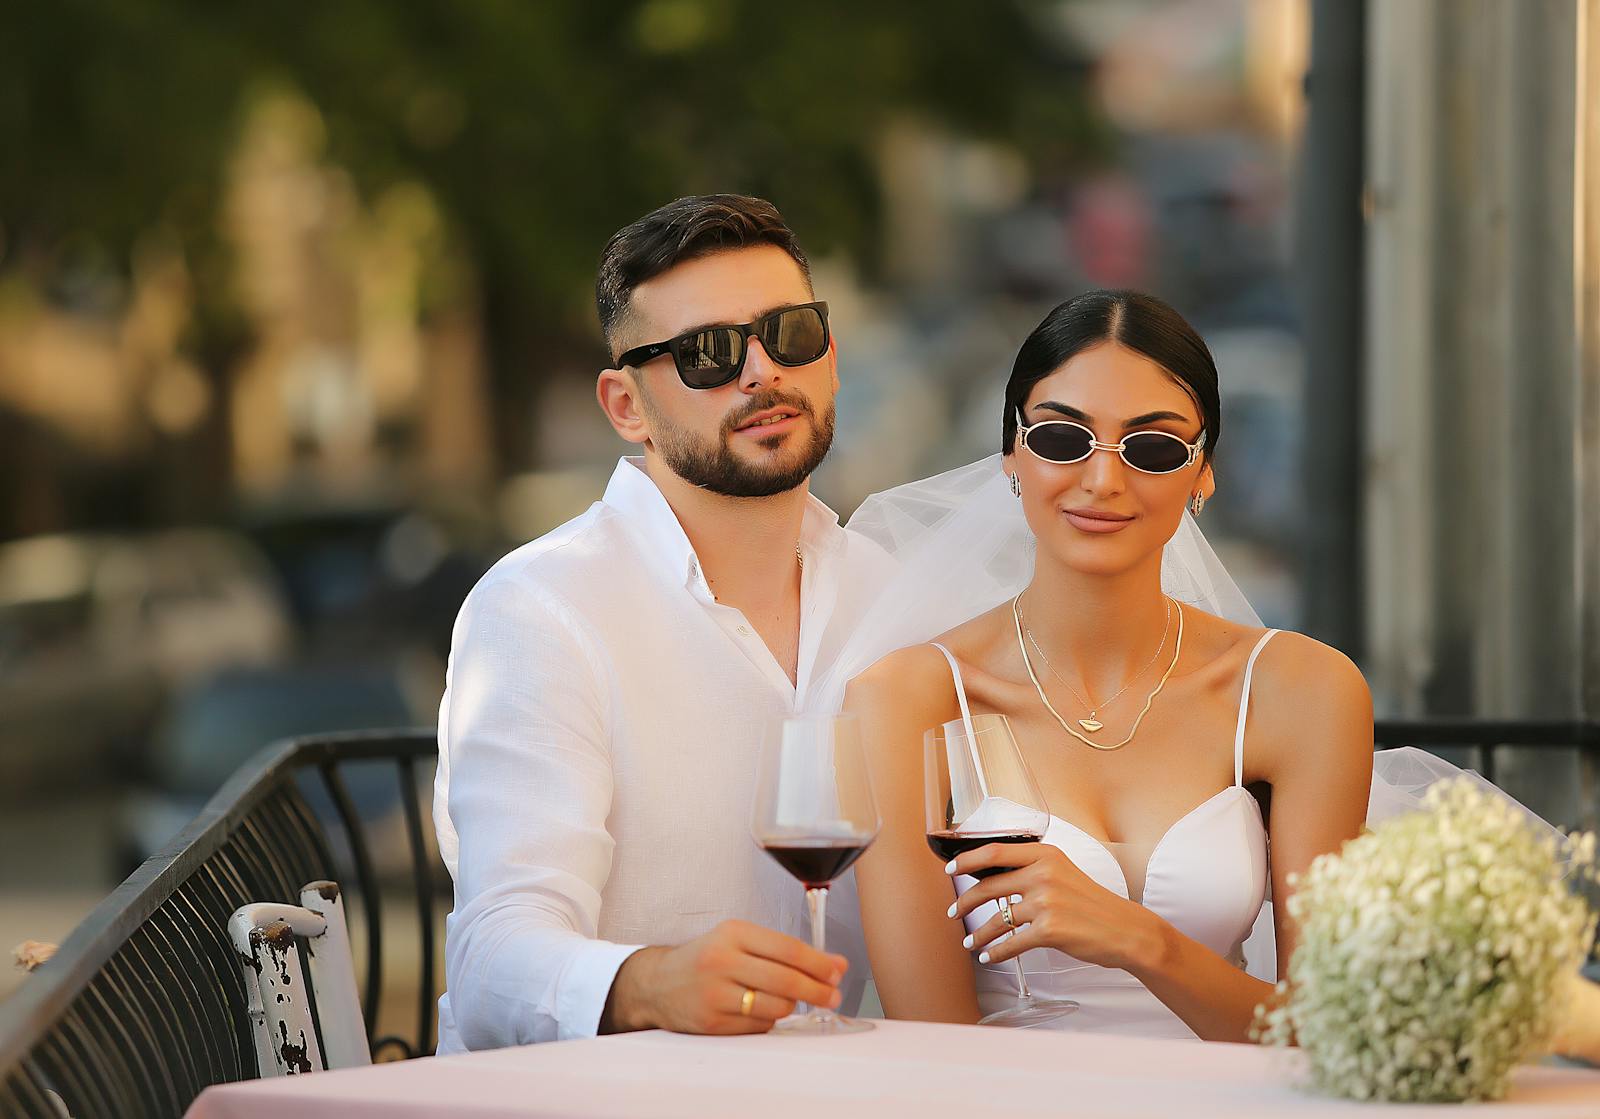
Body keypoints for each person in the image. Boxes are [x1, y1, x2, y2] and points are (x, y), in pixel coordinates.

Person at [843, 290, 1374, 1041]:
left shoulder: (1302, 691)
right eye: (1064, 438)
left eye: (1152, 448)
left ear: (1202, 475)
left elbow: (1333, 1035)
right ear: (1012, 455)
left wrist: (1138, 940)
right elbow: (934, 1038)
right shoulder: (909, 698)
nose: (1102, 481)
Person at [433, 194, 889, 1052]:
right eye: (707, 353)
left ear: (828, 357)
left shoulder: (891, 594)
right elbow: (493, 956)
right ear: (625, 406)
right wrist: (647, 982)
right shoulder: (541, 609)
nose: (760, 373)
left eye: (788, 332)